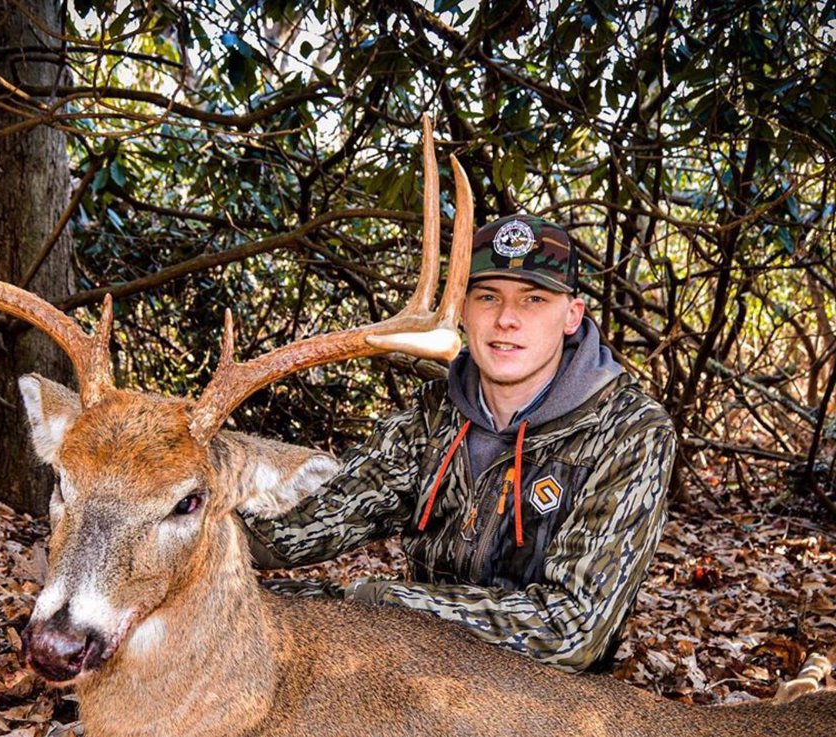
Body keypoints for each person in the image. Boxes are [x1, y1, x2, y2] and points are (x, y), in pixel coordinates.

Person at [242, 214, 676, 672]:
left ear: (571, 315)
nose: (507, 320)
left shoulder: (630, 432)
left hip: (548, 706)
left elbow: (570, 631)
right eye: (488, 297)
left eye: (533, 299)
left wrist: (384, 602)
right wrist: (188, 520)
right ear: (464, 310)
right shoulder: (432, 418)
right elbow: (308, 526)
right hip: (418, 667)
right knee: (230, 612)